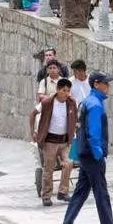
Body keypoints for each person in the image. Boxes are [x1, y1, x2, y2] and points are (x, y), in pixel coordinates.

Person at [58, 72, 113, 224]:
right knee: (101, 193)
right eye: (106, 83)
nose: (108, 87)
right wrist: (99, 155)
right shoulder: (95, 105)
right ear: (97, 84)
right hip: (92, 155)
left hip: (84, 153)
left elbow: (80, 129)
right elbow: (93, 133)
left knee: (81, 192)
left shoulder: (86, 102)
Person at [36, 78, 76, 206]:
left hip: (64, 141)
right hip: (50, 141)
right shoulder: (47, 102)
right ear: (58, 89)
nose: (66, 93)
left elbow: (73, 118)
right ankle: (46, 195)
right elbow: (33, 114)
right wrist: (33, 132)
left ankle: (63, 192)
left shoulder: (71, 103)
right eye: (64, 90)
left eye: (68, 91)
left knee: (68, 163)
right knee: (49, 169)